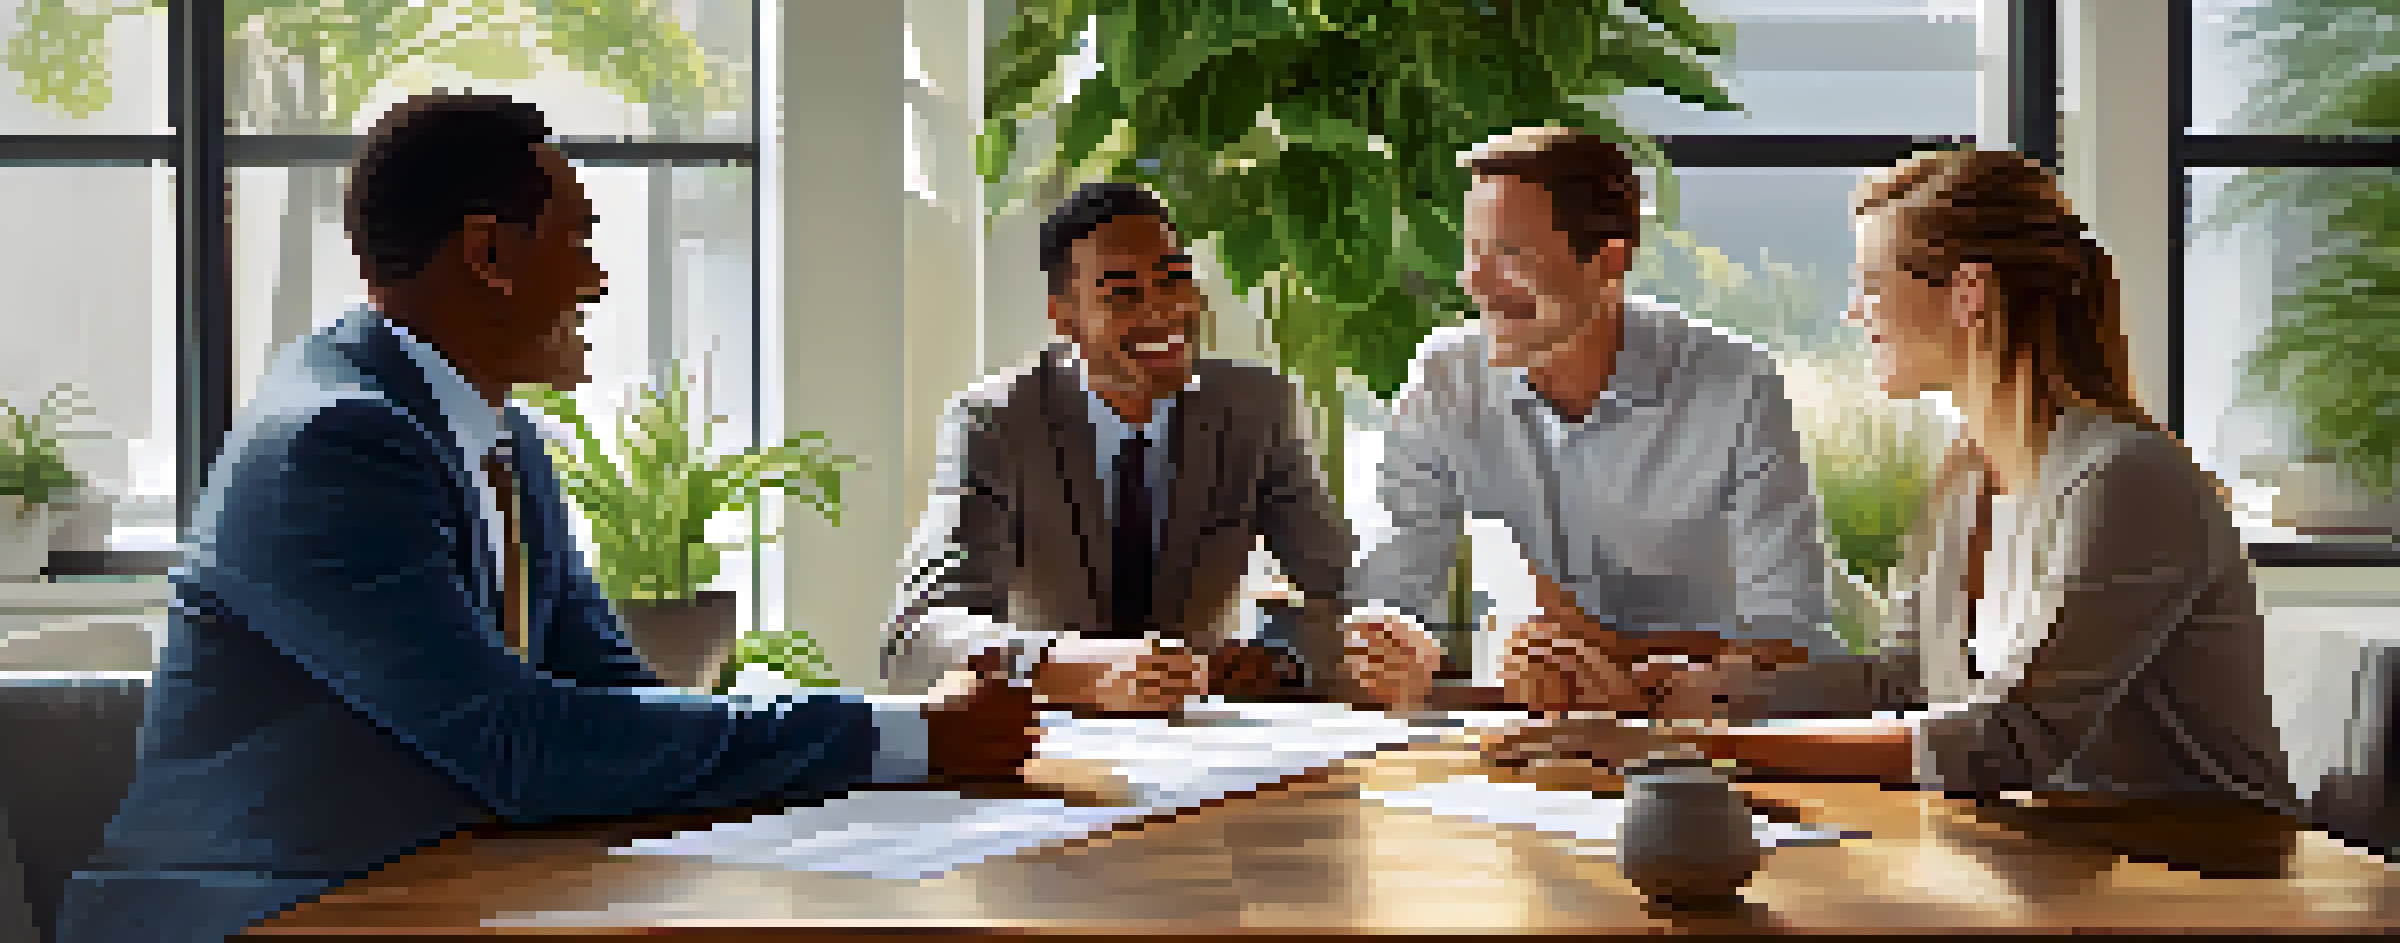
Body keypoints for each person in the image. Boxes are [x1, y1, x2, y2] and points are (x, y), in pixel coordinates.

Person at [56, 94, 1038, 943]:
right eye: (579, 237)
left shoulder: (502, 442)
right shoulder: (336, 443)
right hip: (259, 910)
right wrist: (893, 736)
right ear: (488, 252)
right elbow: (522, 746)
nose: (598, 279)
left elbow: (608, 694)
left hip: (433, 887)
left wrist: (897, 751)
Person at [1640, 149, 2294, 809]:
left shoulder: (2125, 478)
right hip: (2064, 862)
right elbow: (1900, 682)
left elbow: (2014, 738)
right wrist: (1718, 694)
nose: (1854, 314)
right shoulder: (1966, 477)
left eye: (1871, 285)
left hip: (2213, 874)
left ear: (1969, 293)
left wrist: (1702, 747)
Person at [1344, 125, 1848, 712]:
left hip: (1695, 742)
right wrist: (1392, 645)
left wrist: (1612, 652)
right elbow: (1391, 588)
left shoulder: (1736, 387)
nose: (1475, 284)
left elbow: (1796, 644)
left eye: (1510, 257)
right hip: (1517, 739)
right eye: (1473, 253)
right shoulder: (1446, 376)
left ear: (1609, 261)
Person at [883, 182, 1358, 712]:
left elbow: (1345, 587)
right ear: (1064, 317)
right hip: (1047, 745)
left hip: (1210, 745)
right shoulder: (996, 422)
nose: (1165, 312)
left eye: (1176, 280)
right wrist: (1066, 666)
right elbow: (917, 637)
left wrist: (1285, 659)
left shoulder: (1256, 408)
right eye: (1124, 293)